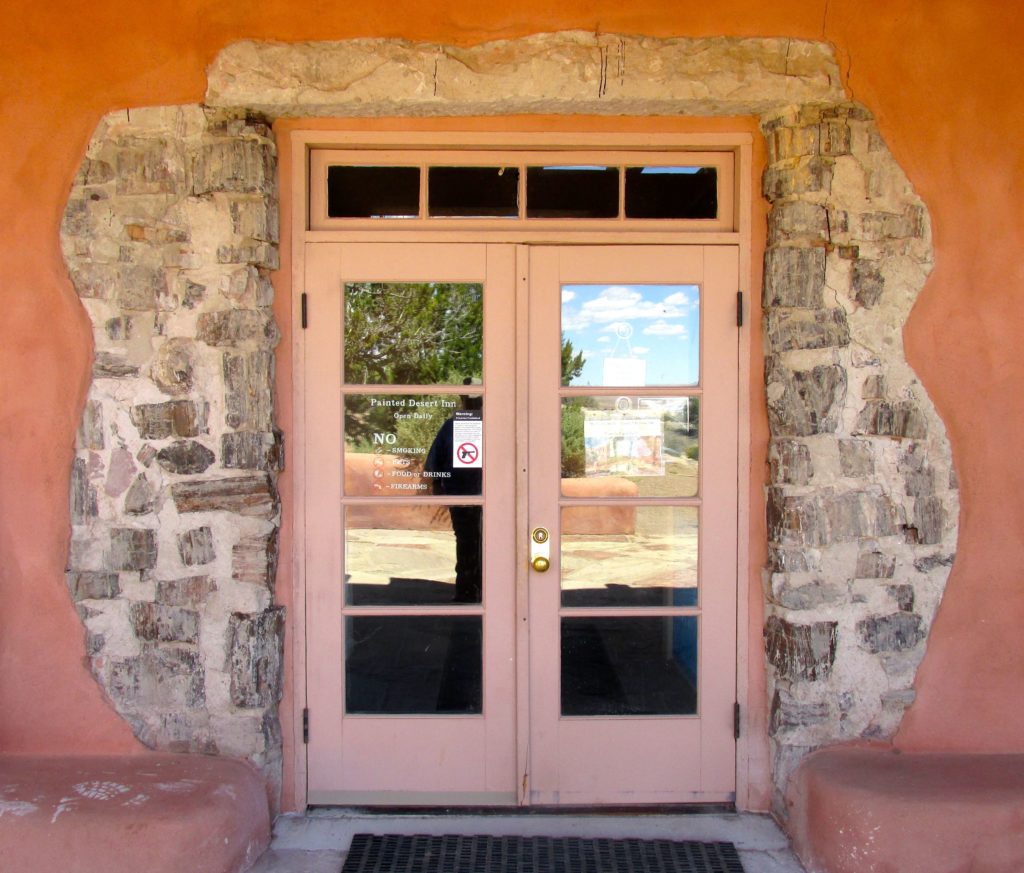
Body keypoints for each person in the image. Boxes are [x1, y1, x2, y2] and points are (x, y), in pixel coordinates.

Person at [424, 389, 482, 603]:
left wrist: (439, 487)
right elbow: (435, 463)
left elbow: (434, 463)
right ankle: (474, 589)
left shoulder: (452, 426)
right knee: (474, 542)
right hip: (467, 495)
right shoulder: (453, 427)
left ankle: (469, 590)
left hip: (466, 495)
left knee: (468, 542)